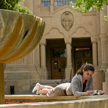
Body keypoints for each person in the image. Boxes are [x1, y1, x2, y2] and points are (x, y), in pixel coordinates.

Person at [32, 63, 98, 97]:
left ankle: (40, 86)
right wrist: (85, 93)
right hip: (62, 90)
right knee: (50, 92)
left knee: (52, 89)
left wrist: (96, 92)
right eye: (87, 74)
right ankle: (39, 91)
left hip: (68, 87)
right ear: (83, 71)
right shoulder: (76, 78)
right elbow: (75, 93)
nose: (89, 76)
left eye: (90, 75)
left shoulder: (89, 78)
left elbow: (90, 89)